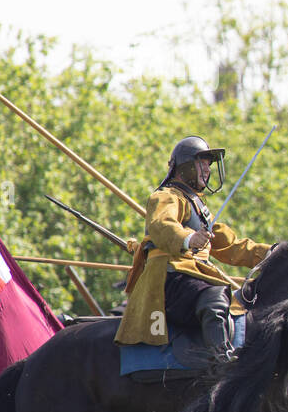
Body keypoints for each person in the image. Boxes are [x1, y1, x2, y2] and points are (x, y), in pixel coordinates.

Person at [115, 136, 270, 360]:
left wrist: (271, 253)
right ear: (185, 166)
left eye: (208, 164)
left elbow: (230, 246)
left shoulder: (198, 206)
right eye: (202, 163)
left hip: (192, 275)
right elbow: (162, 224)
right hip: (169, 276)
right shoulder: (166, 196)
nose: (208, 169)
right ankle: (221, 358)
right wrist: (188, 238)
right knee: (213, 295)